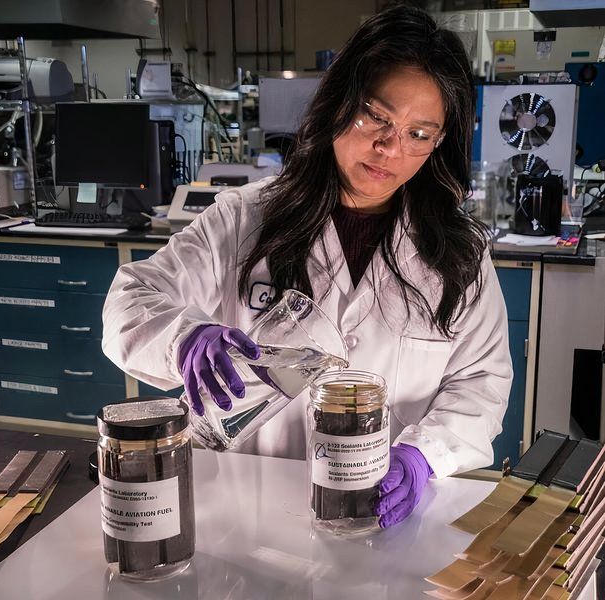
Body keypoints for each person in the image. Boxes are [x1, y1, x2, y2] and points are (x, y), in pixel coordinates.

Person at [102, 5, 512, 529]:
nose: (390, 147)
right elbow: (128, 300)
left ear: (439, 144)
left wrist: (423, 456)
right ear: (339, 104)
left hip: (384, 514)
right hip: (247, 511)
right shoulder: (244, 220)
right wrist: (183, 337)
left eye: (418, 134)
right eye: (377, 117)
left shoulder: (459, 254)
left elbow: (481, 382)